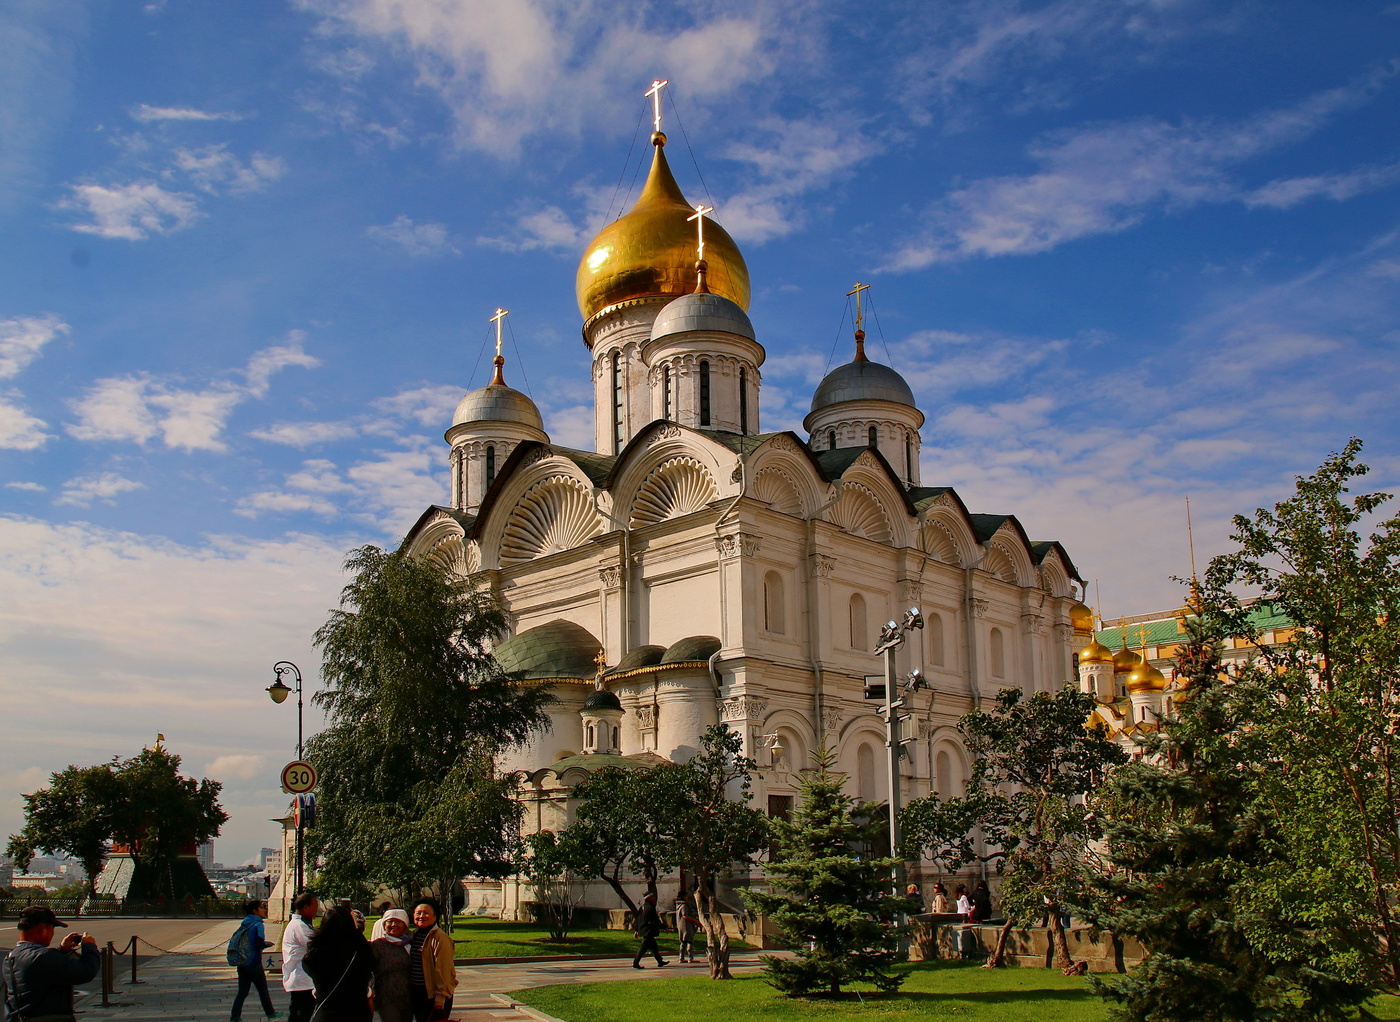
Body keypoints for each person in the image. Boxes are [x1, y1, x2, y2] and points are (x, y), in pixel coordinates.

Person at [2, 906, 101, 1022]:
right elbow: (87, 970)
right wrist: (89, 947)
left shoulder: (11, 956)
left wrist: (62, 950)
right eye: (52, 928)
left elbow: (41, 974)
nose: (52, 933)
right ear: (43, 928)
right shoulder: (42, 957)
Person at [304, 906, 372, 1022]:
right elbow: (369, 957)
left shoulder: (315, 956)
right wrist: (356, 930)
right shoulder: (359, 953)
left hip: (326, 1014)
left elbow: (308, 966)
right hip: (357, 1014)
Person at [230, 899, 279, 1021]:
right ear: (255, 911)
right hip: (253, 962)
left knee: (242, 992)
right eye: (261, 908)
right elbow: (258, 943)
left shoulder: (245, 923)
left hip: (242, 962)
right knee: (263, 990)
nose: (263, 910)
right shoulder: (258, 924)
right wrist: (267, 944)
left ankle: (235, 1017)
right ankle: (271, 1014)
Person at [407, 899, 455, 1022]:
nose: (421, 916)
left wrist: (440, 996)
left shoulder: (440, 938)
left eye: (426, 913)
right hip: (418, 993)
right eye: (418, 913)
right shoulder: (415, 935)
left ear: (435, 917)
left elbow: (444, 969)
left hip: (433, 995)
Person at [367, 910, 412, 1022]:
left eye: (398, 922)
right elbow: (369, 970)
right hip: (386, 997)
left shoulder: (410, 944)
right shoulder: (378, 945)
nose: (393, 925)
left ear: (405, 925)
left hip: (408, 997)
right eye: (390, 922)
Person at [282, 893, 320, 1022]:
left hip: (302, 978)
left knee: (300, 1014)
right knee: (301, 1015)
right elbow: (315, 946)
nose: (317, 909)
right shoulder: (300, 926)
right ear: (305, 907)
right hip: (301, 977)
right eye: (315, 906)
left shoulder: (301, 924)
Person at [631, 892, 667, 970]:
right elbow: (655, 920)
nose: (654, 898)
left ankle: (660, 961)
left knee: (654, 947)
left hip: (644, 930)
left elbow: (638, 919)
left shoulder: (642, 907)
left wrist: (637, 930)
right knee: (643, 948)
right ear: (649, 898)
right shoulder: (650, 908)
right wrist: (664, 927)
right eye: (652, 897)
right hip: (648, 930)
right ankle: (635, 963)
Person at [672, 896, 699, 964]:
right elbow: (685, 916)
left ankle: (681, 957)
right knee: (689, 941)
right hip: (686, 926)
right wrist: (695, 921)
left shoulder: (678, 906)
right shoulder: (684, 906)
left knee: (683, 942)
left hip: (680, 925)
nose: (687, 897)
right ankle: (690, 957)